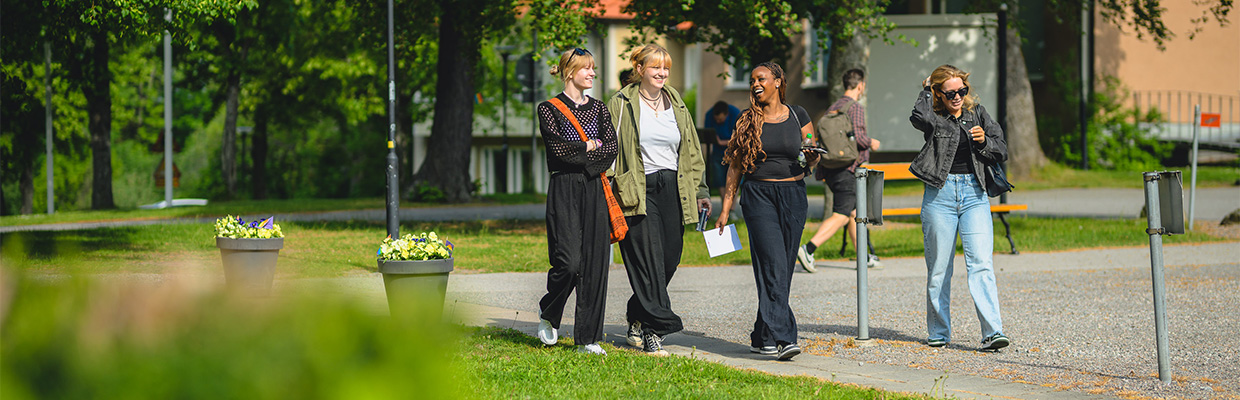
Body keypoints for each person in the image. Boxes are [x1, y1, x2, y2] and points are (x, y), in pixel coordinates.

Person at [606, 44, 710, 356]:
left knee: (670, 258)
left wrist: (701, 190)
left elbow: (691, 149)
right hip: (636, 187)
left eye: (666, 68)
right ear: (639, 69)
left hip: (673, 187)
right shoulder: (621, 102)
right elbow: (609, 148)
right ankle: (655, 329)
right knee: (648, 258)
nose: (662, 73)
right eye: (655, 68)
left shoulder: (676, 101)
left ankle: (637, 315)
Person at [716, 61, 818, 361]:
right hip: (758, 195)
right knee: (773, 262)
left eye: (760, 78)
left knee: (783, 267)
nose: (755, 84)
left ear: (777, 81)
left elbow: (809, 155)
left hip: (794, 194)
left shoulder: (799, 115)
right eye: (751, 80)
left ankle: (762, 334)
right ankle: (785, 337)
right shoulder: (747, 120)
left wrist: (811, 157)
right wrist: (726, 208)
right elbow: (735, 165)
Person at [909, 64, 1010, 351]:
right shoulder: (934, 117)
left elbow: (1001, 148)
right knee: (939, 268)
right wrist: (925, 88)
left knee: (981, 264)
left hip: (974, 194)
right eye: (950, 92)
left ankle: (993, 332)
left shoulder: (977, 113)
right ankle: (939, 331)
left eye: (961, 91)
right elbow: (918, 116)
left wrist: (985, 141)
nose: (957, 96)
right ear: (939, 94)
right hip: (939, 195)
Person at [534, 48, 618, 355]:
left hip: (595, 186)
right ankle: (548, 313)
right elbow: (558, 151)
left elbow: (610, 148)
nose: (593, 73)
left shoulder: (600, 109)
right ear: (570, 72)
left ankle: (588, 338)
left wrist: (582, 154)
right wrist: (588, 146)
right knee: (568, 263)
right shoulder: (548, 109)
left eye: (594, 68)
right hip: (564, 188)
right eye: (587, 69)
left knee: (595, 264)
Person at [797, 68, 882, 273]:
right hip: (850, 169)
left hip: (832, 169)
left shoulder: (833, 108)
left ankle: (864, 257)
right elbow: (860, 139)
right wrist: (872, 142)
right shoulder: (855, 108)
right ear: (860, 86)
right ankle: (808, 249)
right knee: (843, 214)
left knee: (854, 213)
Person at [703, 101, 741, 188]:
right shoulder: (709, 115)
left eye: (720, 120)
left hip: (734, 151)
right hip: (718, 152)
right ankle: (723, 201)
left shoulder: (736, 114)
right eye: (716, 120)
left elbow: (740, 138)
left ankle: (733, 202)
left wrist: (721, 142)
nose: (718, 121)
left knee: (734, 181)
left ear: (726, 114)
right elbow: (709, 134)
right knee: (719, 180)